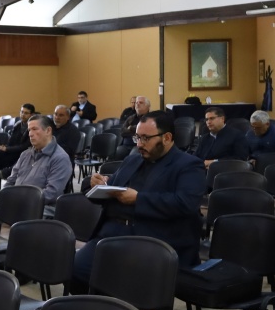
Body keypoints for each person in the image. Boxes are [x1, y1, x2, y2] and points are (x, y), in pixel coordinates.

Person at [72, 111, 206, 288]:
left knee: (115, 280)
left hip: (150, 237)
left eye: (145, 138)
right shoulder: (133, 160)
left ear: (167, 138)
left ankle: (111, 303)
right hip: (111, 232)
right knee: (75, 270)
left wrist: (138, 199)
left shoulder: (188, 165)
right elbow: (109, 189)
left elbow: (185, 203)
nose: (139, 144)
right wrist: (93, 183)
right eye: (137, 138)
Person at [0, 114, 71, 216]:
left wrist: (20, 202)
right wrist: (6, 198)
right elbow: (11, 181)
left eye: (34, 129)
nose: (30, 134)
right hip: (16, 203)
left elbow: (51, 194)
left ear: (48, 131)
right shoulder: (26, 154)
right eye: (29, 130)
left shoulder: (60, 158)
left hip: (41, 207)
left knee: (11, 218)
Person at [0, 104, 35, 200]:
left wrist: (7, 149)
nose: (23, 115)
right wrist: (5, 147)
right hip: (13, 152)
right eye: (22, 112)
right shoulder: (18, 125)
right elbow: (11, 142)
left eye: (26, 113)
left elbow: (25, 146)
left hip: (23, 155)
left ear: (32, 115)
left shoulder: (32, 127)